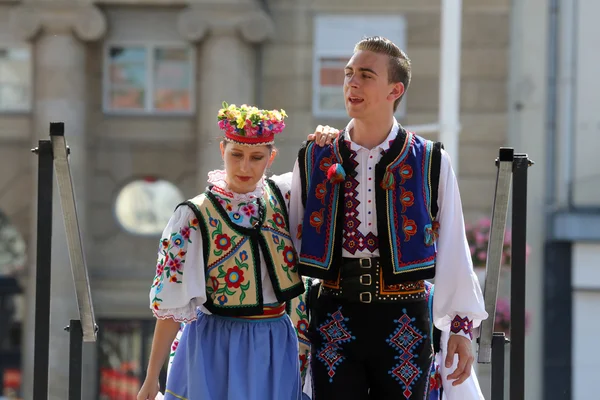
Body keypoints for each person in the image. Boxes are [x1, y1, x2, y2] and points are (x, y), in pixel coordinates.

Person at [289, 36, 488, 399]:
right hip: (335, 315)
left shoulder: (430, 160)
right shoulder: (315, 157)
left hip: (405, 318)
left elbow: (453, 244)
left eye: (366, 75)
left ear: (395, 89)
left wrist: (459, 328)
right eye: (349, 73)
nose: (352, 82)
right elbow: (289, 238)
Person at [137, 102, 336, 400]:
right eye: (236, 155)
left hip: (274, 342)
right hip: (214, 344)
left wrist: (328, 138)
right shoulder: (194, 216)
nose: (245, 167)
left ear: (271, 157)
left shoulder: (284, 197)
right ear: (222, 150)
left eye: (257, 157)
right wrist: (151, 377)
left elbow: (327, 175)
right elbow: (171, 303)